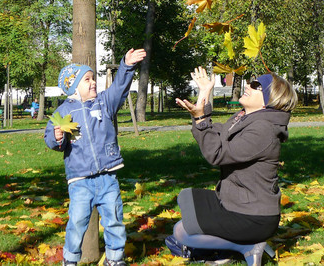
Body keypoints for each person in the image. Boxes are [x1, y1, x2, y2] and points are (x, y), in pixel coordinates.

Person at [171, 67, 298, 266]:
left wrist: (200, 119)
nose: (248, 85)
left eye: (256, 85)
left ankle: (246, 247)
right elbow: (217, 134)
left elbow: (218, 153)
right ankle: (233, 246)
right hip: (235, 203)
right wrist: (204, 93)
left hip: (253, 217)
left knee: (181, 232)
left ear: (270, 100)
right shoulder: (245, 118)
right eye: (251, 82)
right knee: (186, 198)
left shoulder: (263, 129)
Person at [44, 48, 146, 266]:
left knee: (115, 220)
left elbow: (119, 88)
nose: (93, 83)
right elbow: (52, 141)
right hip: (80, 180)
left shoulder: (104, 103)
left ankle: (115, 259)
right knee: (77, 222)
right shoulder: (62, 113)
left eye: (93, 78)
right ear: (72, 87)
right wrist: (56, 135)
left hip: (108, 177)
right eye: (87, 79)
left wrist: (127, 66)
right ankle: (70, 260)